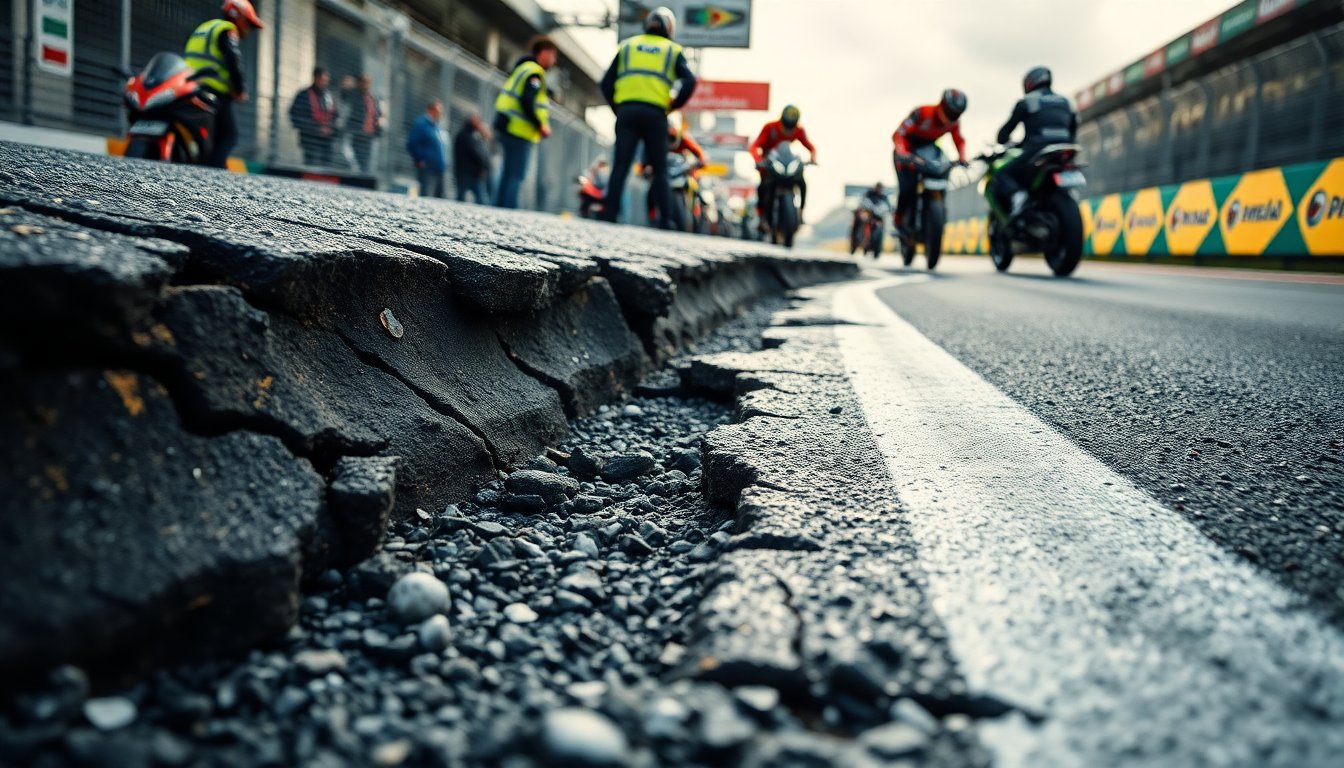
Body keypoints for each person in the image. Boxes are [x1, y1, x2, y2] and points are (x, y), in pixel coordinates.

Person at [597, 6, 697, 228]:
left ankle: (610, 215)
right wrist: (674, 105)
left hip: (628, 112)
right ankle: (665, 220)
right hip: (655, 114)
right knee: (660, 170)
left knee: (620, 166)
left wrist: (618, 108)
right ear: (669, 28)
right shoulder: (672, 50)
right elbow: (690, 81)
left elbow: (605, 83)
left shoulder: (628, 46)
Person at [182, 0, 262, 169]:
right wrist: (239, 89)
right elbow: (233, 60)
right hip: (213, 92)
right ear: (237, 16)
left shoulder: (205, 28)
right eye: (248, 23)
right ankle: (215, 173)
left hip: (189, 88)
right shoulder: (227, 30)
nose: (248, 29)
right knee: (228, 135)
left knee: (205, 136)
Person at [993, 67, 1078, 219]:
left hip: (1038, 150)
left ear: (1029, 82)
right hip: (1065, 149)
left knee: (1001, 174)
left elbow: (1004, 134)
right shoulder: (1066, 101)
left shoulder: (1027, 101)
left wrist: (1005, 141)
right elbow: (1074, 127)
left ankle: (1018, 196)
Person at [493, 36, 558, 209]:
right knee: (517, 175)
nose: (554, 60)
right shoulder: (535, 72)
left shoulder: (524, 68)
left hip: (506, 124)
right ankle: (509, 212)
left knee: (507, 173)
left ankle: (498, 209)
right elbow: (527, 101)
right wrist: (540, 125)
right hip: (518, 129)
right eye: (552, 55)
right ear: (543, 53)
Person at [891, 89, 968, 234]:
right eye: (951, 112)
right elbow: (899, 134)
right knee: (907, 189)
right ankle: (899, 221)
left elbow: (959, 140)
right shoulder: (922, 113)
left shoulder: (954, 123)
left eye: (956, 114)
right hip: (906, 153)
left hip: (927, 153)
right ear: (943, 105)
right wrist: (902, 152)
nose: (952, 117)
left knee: (942, 174)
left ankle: (938, 214)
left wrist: (962, 157)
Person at [749, 105, 817, 231]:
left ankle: (801, 214)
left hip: (787, 166)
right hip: (769, 165)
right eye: (786, 126)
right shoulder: (770, 127)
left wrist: (812, 158)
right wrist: (759, 160)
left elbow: (811, 147)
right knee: (762, 187)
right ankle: (762, 218)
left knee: (802, 183)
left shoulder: (799, 131)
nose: (788, 130)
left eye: (791, 127)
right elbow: (754, 146)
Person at [290, 67, 338, 167]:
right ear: (315, 78)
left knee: (327, 165)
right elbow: (296, 115)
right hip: (310, 139)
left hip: (327, 139)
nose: (324, 82)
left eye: (326, 80)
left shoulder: (329, 96)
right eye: (322, 80)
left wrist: (330, 128)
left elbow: (336, 115)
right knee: (312, 166)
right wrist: (316, 129)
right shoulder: (304, 95)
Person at [407, 100, 448, 198]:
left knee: (440, 196)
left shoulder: (436, 126)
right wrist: (419, 159)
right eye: (438, 110)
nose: (440, 113)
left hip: (439, 167)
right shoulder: (421, 124)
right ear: (430, 110)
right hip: (427, 167)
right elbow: (412, 143)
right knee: (427, 194)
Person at [345, 73, 383, 174]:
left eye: (368, 83)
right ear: (358, 83)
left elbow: (378, 114)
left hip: (369, 137)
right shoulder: (353, 96)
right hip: (356, 135)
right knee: (353, 164)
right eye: (364, 82)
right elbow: (344, 98)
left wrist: (378, 126)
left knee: (368, 165)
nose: (366, 85)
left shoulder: (373, 98)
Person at [453, 112, 494, 204]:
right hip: (467, 172)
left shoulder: (474, 135)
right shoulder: (466, 135)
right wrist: (483, 166)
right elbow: (477, 154)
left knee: (479, 197)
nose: (480, 123)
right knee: (464, 197)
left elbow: (482, 153)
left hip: (472, 172)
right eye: (477, 121)